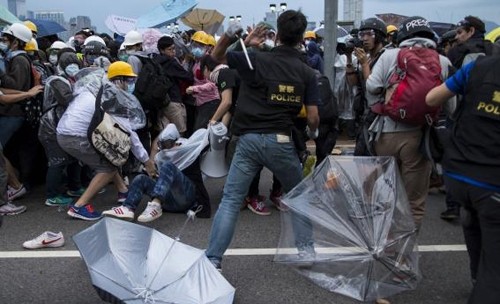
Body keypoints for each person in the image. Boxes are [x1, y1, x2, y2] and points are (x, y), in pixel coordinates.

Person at [205, 10, 320, 270]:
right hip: (281, 141)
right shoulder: (306, 72)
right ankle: (306, 251)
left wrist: (241, 41)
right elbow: (313, 117)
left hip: (248, 141)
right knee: (299, 195)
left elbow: (215, 58)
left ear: (277, 34)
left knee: (232, 200)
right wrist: (313, 132)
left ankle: (213, 259)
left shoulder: (256, 59)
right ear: (302, 37)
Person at [365, 16, 455, 229]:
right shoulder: (443, 61)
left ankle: (382, 241)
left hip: (385, 133)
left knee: (385, 192)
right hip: (419, 137)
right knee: (414, 201)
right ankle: (403, 256)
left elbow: (371, 87)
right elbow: (451, 107)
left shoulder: (389, 56)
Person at [426, 55, 500, 304]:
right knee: (495, 268)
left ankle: (476, 280)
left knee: (474, 225)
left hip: (457, 172)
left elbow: (432, 98)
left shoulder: (477, 67)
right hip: (492, 181)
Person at [57, 62, 155, 220]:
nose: (131, 85)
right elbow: (129, 133)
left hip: (65, 132)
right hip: (75, 136)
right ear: (118, 80)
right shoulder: (111, 97)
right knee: (108, 167)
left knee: (109, 157)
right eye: (128, 80)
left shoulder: (97, 88)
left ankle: (123, 191)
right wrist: (146, 161)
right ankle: (79, 206)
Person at [102, 123, 211, 221]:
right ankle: (128, 207)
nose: (165, 149)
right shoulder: (161, 157)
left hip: (187, 198)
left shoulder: (188, 149)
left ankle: (156, 204)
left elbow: (206, 139)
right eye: (162, 145)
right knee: (141, 178)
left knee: (168, 166)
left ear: (177, 142)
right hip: (169, 201)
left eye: (168, 144)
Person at [38, 52, 84, 207]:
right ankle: (52, 195)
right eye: (70, 65)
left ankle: (74, 187)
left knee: (74, 157)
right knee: (57, 160)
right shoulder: (57, 81)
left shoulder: (70, 79)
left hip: (64, 124)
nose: (73, 68)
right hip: (52, 126)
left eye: (76, 65)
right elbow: (66, 99)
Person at [156, 36, 194, 136]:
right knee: (180, 132)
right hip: (174, 101)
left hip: (161, 102)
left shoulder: (155, 61)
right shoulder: (170, 62)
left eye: (174, 48)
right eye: (170, 49)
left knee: (165, 135)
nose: (173, 52)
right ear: (162, 50)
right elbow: (187, 77)